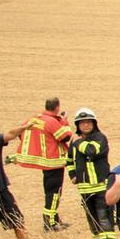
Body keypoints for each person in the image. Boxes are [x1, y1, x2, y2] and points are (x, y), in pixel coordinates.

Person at [15, 97, 74, 231]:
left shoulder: (34, 118)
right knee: (54, 193)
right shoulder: (51, 122)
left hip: (42, 161)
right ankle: (50, 223)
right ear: (57, 107)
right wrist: (64, 122)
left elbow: (21, 132)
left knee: (49, 192)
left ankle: (55, 218)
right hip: (53, 162)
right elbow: (65, 137)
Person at [68, 108, 116, 239]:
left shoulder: (100, 138)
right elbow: (69, 161)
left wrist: (77, 143)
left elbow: (92, 151)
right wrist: (72, 175)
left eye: (89, 122)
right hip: (84, 188)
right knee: (92, 219)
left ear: (94, 123)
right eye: (83, 123)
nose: (86, 125)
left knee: (104, 217)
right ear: (78, 125)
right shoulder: (75, 143)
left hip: (101, 187)